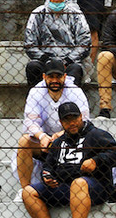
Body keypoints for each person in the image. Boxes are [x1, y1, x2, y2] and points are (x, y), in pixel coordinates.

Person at [21, 101, 116, 218]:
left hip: (94, 186)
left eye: (75, 118)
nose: (72, 123)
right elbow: (48, 166)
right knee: (28, 192)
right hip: (64, 187)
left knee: (78, 183)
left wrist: (96, 161)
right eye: (67, 120)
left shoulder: (96, 135)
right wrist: (47, 176)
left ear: (81, 117)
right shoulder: (58, 142)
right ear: (61, 122)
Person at [16, 59, 91, 189]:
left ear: (65, 76)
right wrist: (42, 136)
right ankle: (25, 189)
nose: (55, 81)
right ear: (44, 76)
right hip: (46, 141)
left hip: (71, 140)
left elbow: (84, 121)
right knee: (24, 141)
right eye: (51, 77)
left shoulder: (75, 91)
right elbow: (30, 121)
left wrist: (63, 135)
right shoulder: (35, 92)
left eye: (58, 77)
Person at [23, 0, 91, 88]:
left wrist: (67, 61)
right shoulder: (38, 14)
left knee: (75, 69)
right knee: (33, 66)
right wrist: (46, 60)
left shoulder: (76, 15)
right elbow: (29, 44)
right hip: (44, 61)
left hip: (70, 62)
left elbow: (85, 43)